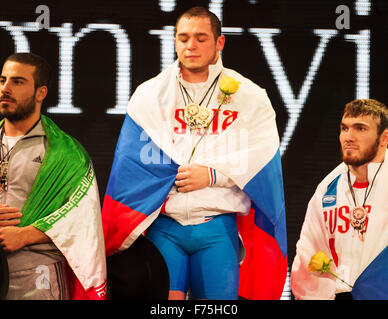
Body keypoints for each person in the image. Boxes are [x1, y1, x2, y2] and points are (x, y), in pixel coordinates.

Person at [102, 6, 287, 300]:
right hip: (165, 226)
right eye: (184, 37)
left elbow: (261, 157)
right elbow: (132, 163)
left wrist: (213, 176)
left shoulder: (250, 95)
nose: (191, 46)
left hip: (216, 228)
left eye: (201, 38)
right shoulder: (149, 94)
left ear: (220, 42)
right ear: (174, 41)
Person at [0, 52, 106, 300]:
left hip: (36, 273)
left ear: (41, 93)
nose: (6, 88)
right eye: (3, 80)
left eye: (18, 82)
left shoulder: (66, 154)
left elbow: (82, 217)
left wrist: (26, 234)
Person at [291, 99, 388, 300]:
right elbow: (309, 252)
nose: (349, 137)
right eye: (344, 128)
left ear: (384, 138)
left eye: (360, 128)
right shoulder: (327, 188)